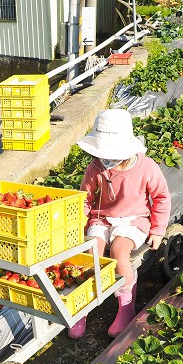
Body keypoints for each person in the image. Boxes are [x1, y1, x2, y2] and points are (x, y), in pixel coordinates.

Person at [69, 109, 171, 339]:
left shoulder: (146, 168)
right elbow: (85, 199)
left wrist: (157, 230)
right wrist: (77, 225)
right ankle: (82, 307)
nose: (105, 159)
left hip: (132, 219)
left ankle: (126, 308)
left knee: (118, 254)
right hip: (102, 218)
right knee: (89, 253)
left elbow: (162, 197)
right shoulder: (96, 167)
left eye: (109, 155)